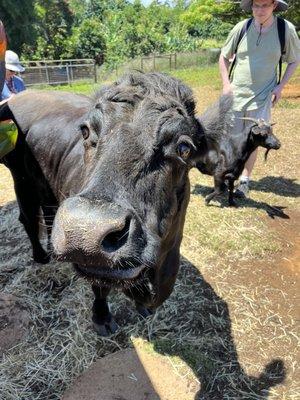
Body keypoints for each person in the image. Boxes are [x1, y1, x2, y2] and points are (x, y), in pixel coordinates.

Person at [219, 0, 300, 198]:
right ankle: (227, 177)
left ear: (274, 6)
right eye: (256, 5)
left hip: (263, 96)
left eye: (265, 5)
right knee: (232, 139)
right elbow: (223, 57)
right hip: (236, 96)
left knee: (254, 139)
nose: (260, 10)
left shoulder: (285, 29)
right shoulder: (242, 27)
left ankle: (244, 182)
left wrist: (280, 86)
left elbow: (294, 59)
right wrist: (226, 85)